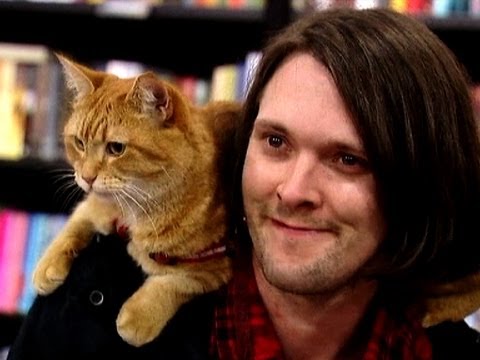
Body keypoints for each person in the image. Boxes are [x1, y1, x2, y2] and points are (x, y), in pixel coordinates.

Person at [7, 6, 480, 360]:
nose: (293, 190)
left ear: (421, 181)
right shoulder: (87, 308)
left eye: (348, 159)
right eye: (275, 141)